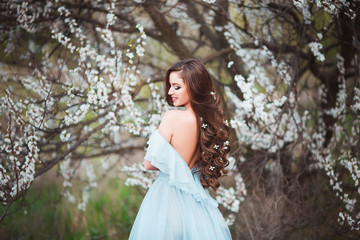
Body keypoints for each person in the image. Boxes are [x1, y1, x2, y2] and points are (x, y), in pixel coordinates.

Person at [129, 59, 232, 240]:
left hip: (168, 198)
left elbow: (149, 164)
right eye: (170, 86)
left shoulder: (172, 117)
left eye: (177, 87)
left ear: (193, 87)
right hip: (197, 201)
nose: (170, 92)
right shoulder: (210, 125)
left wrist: (172, 163)